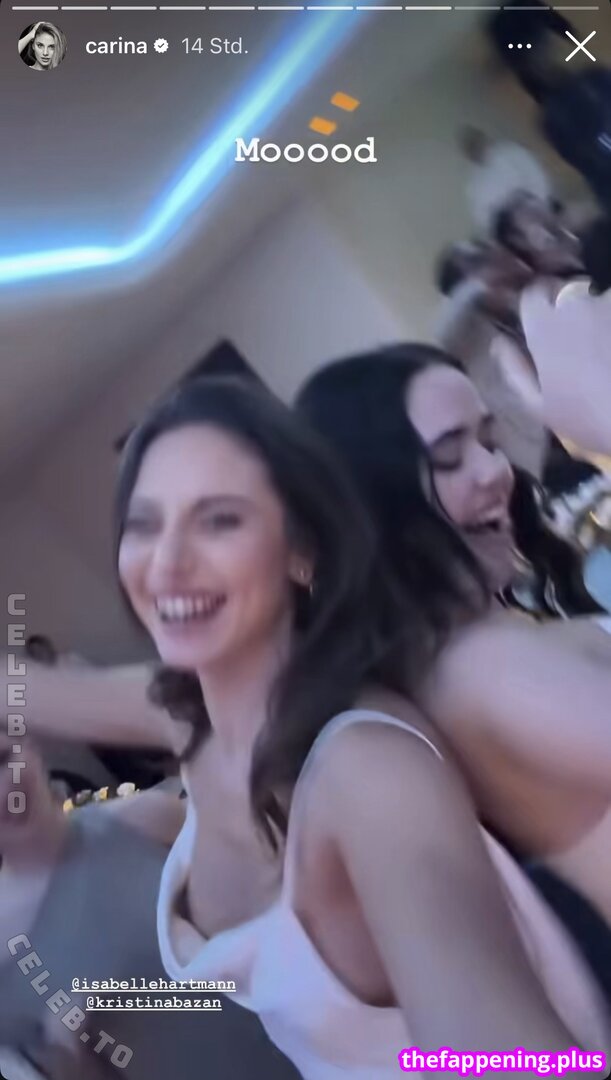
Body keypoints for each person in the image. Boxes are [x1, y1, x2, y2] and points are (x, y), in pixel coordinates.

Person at [116, 374, 611, 1070]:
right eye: (144, 524)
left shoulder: (367, 766)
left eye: (218, 520)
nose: (167, 560)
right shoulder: (193, 722)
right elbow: (35, 691)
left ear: (301, 552)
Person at [296, 346, 611, 933]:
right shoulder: (478, 667)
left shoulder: (481, 645)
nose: (495, 470)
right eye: (449, 455)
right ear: (377, 501)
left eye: (488, 441)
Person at [0, 735, 298, 1080]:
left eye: (3, 759)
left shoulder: (142, 819)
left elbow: (275, 888)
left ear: (31, 748)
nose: (6, 791)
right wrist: (69, 1052)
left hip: (310, 1049)